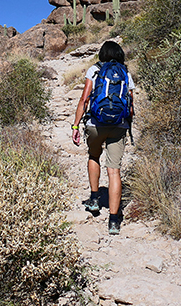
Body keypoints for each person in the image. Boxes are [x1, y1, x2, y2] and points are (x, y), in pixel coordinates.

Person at [71, 41, 134, 235]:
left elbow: (84, 99)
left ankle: (95, 199)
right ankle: (114, 221)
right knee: (114, 171)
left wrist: (75, 125)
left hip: (96, 124)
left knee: (93, 156)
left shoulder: (94, 70)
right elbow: (130, 106)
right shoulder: (126, 73)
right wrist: (126, 125)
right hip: (118, 125)